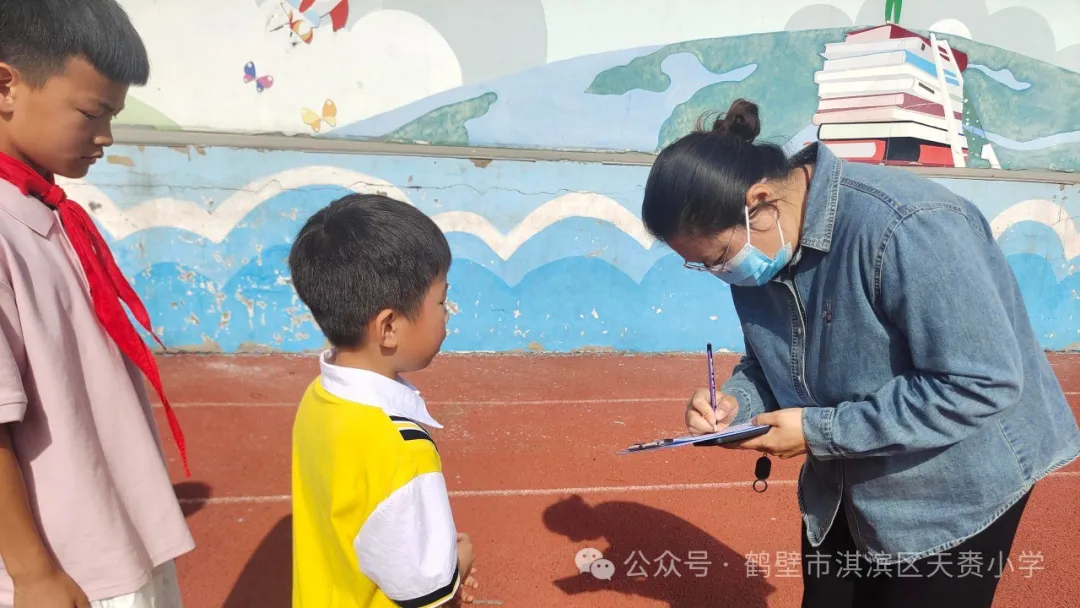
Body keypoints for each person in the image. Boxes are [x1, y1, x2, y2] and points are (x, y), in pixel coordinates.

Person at [640, 98, 1080, 608]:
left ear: (758, 201)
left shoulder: (908, 226)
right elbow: (771, 360)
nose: (722, 273)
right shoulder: (763, 244)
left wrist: (817, 432)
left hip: (954, 488)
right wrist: (736, 403)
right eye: (703, 266)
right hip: (846, 478)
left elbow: (979, 381)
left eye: (718, 258)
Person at [0, 1, 195, 607]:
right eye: (92, 112)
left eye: (113, 114)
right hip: (67, 567)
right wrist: (33, 574)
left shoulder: (43, 209)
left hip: (115, 538)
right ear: (5, 86)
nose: (107, 135)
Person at [288, 193, 479, 607]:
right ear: (388, 327)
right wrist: (459, 565)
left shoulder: (318, 398)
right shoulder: (402, 449)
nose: (447, 313)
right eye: (441, 301)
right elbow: (429, 595)